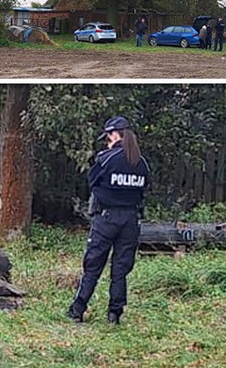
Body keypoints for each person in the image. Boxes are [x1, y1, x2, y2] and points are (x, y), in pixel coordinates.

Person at [68, 115, 150, 325]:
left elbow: (92, 182)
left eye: (108, 137)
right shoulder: (141, 163)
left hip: (106, 219)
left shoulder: (106, 159)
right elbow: (143, 190)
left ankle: (78, 309)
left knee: (93, 266)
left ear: (115, 134)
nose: (107, 141)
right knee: (120, 269)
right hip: (131, 221)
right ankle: (115, 314)